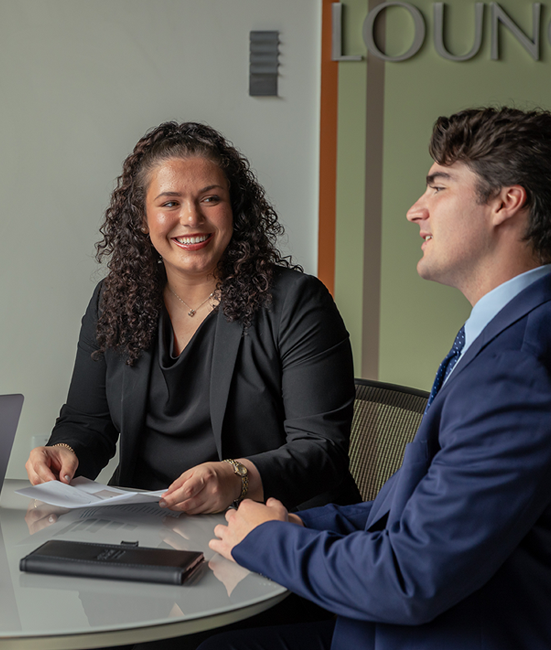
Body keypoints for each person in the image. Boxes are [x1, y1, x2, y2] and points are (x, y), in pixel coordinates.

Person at [205, 107, 551, 650]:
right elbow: (419, 512)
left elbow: (408, 579)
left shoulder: (517, 372)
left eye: (438, 187)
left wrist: (267, 541)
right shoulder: (536, 333)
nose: (415, 210)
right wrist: (299, 525)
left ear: (506, 203)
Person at [27, 121, 360, 515]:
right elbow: (87, 422)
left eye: (211, 199)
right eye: (170, 203)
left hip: (272, 526)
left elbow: (321, 450)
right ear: (141, 218)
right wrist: (63, 452)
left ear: (235, 208)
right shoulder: (114, 301)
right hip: (147, 524)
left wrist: (237, 477)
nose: (191, 218)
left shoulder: (296, 302)